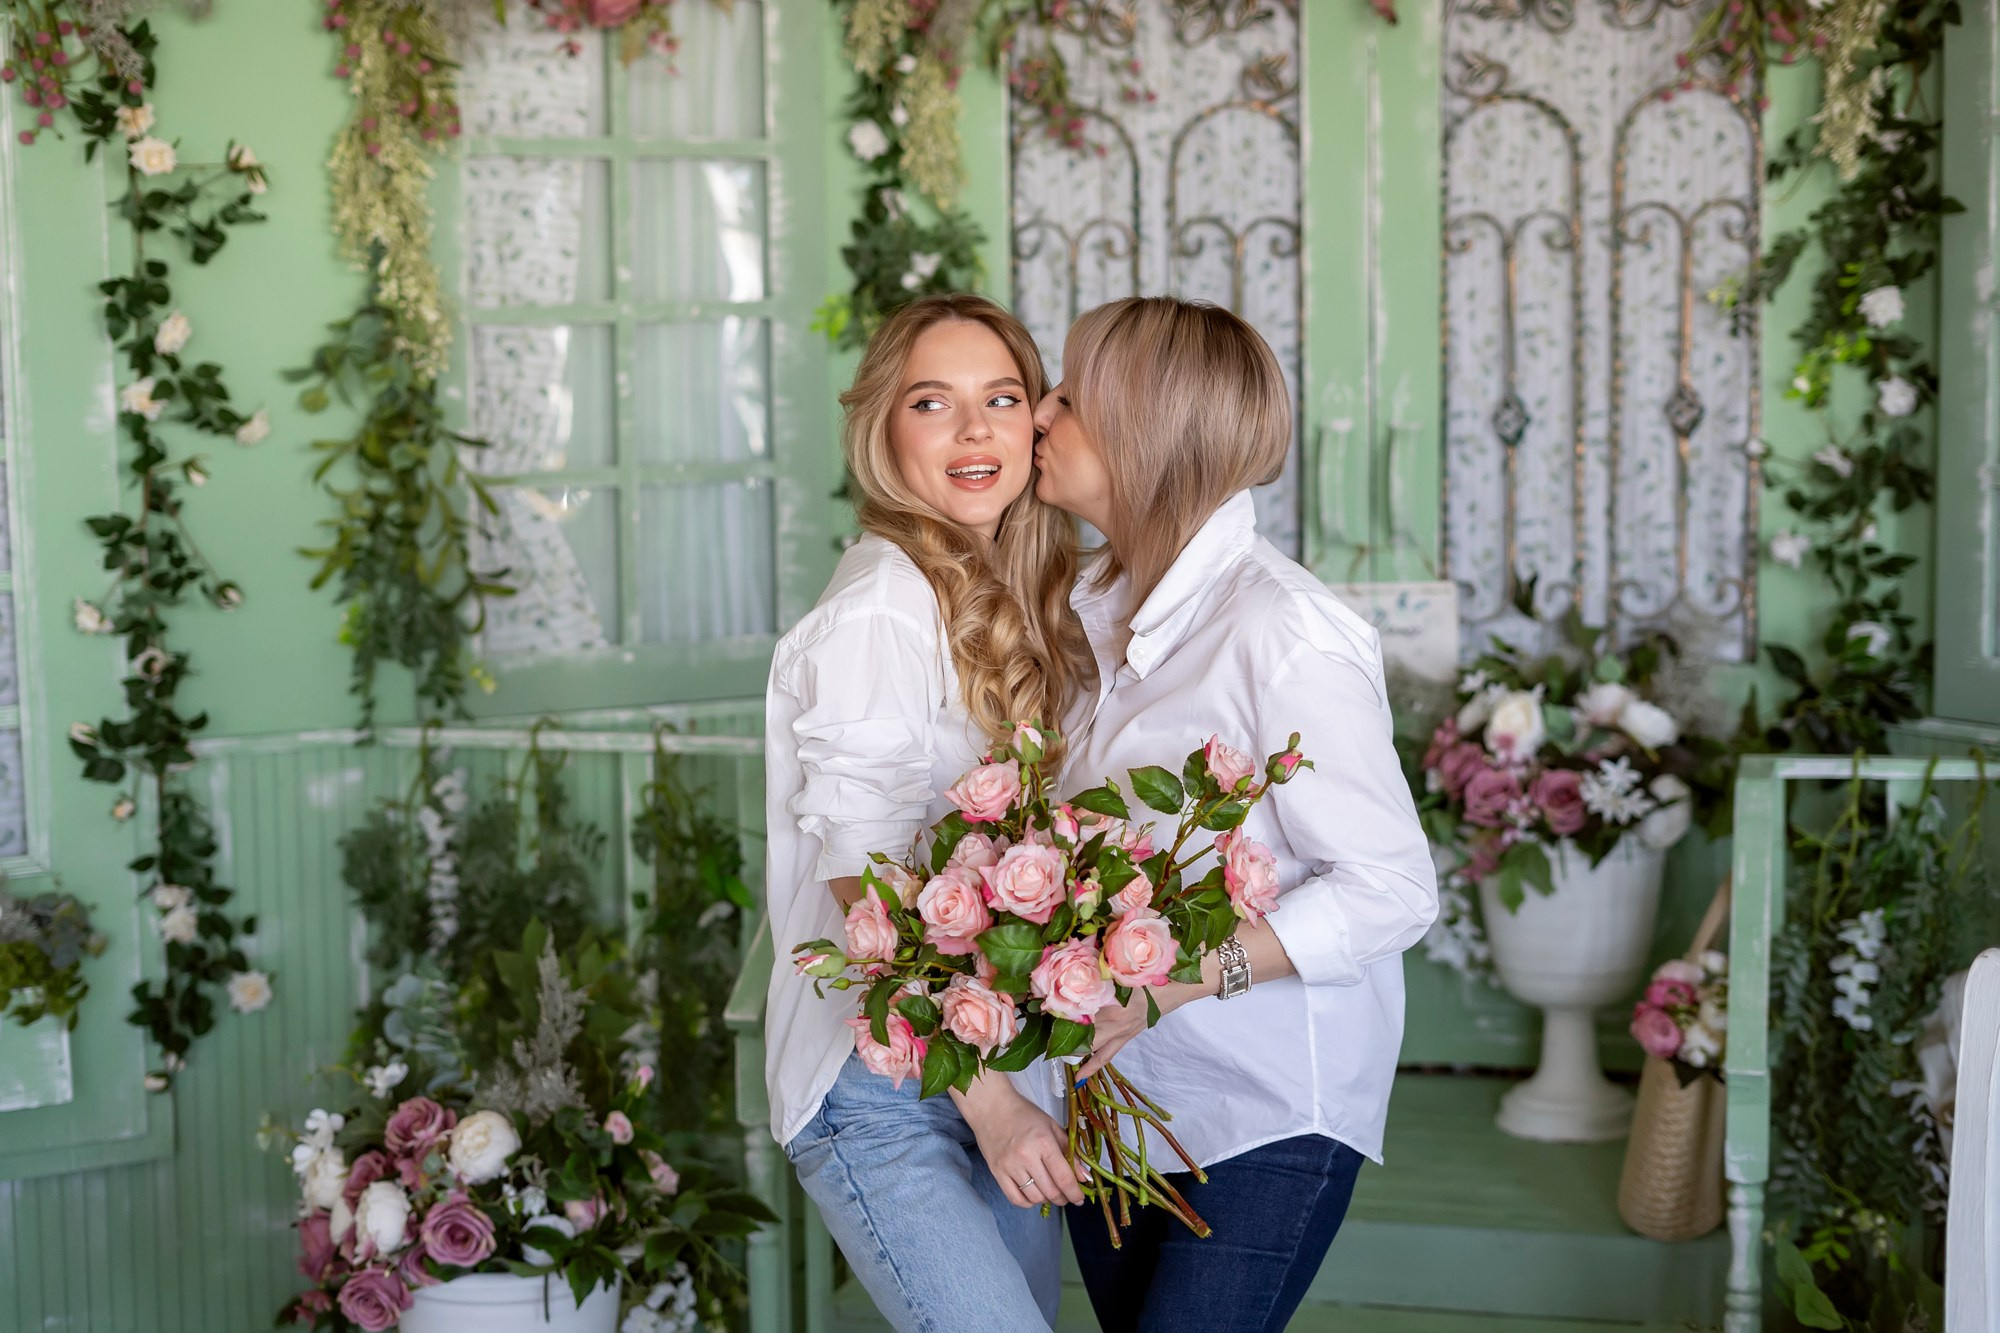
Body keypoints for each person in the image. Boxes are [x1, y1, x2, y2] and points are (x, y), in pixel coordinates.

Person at [1032, 295, 1440, 1333]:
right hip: (1119, 1099)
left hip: (1268, 1108)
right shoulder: (1084, 608)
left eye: (1069, 397)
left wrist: (1174, 982)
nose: (1038, 413)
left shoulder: (1283, 628)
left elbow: (1391, 890)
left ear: (1144, 427)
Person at [762, 294, 1095, 1333]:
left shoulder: (998, 588)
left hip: (992, 1061)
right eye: (931, 402)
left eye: (1000, 397)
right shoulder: (879, 607)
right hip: (888, 1088)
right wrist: (989, 1101)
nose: (974, 430)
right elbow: (864, 886)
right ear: (881, 429)